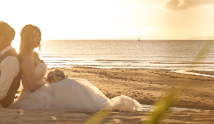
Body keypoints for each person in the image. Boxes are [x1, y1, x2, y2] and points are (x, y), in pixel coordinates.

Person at [10, 24, 142, 112]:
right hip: (34, 95)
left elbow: (38, 77)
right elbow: (32, 86)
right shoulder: (26, 58)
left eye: (39, 35)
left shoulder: (34, 55)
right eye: (34, 35)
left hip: (43, 88)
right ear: (27, 38)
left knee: (73, 84)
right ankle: (99, 107)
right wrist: (52, 85)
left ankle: (102, 105)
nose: (38, 38)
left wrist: (53, 81)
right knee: (71, 86)